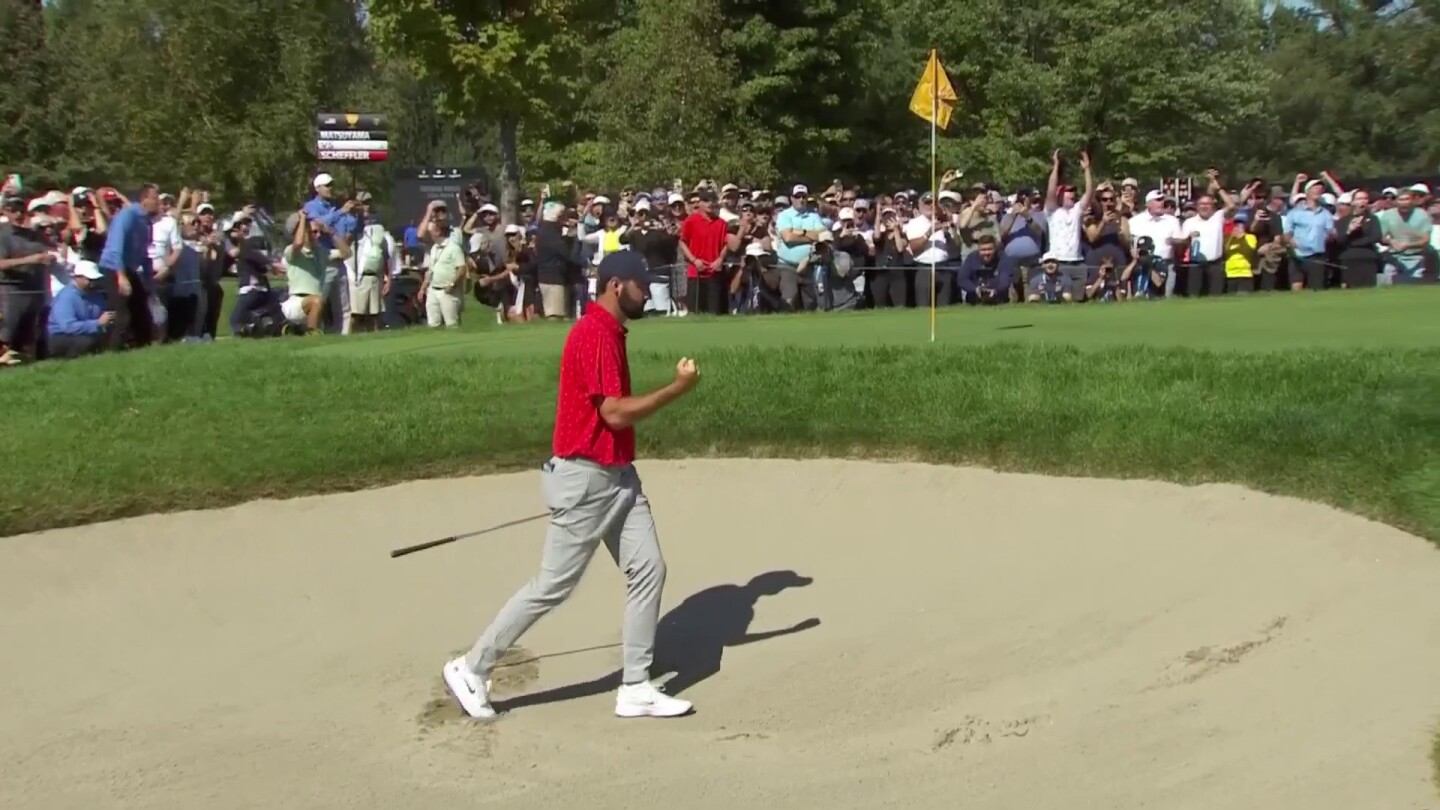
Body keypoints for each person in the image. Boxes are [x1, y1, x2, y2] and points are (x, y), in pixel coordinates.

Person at [443, 250, 701, 721]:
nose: (648, 293)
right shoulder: (595, 333)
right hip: (586, 478)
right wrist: (676, 390)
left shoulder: (611, 331)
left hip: (619, 476)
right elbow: (614, 412)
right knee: (553, 585)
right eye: (642, 285)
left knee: (649, 570)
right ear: (617, 286)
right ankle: (472, 667)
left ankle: (636, 686)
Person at [47, 260, 112, 358]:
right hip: (60, 336)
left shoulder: (96, 295)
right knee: (87, 342)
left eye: (95, 279)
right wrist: (97, 323)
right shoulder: (66, 297)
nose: (92, 283)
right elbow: (68, 327)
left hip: (87, 332)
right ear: (78, 277)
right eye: (89, 279)